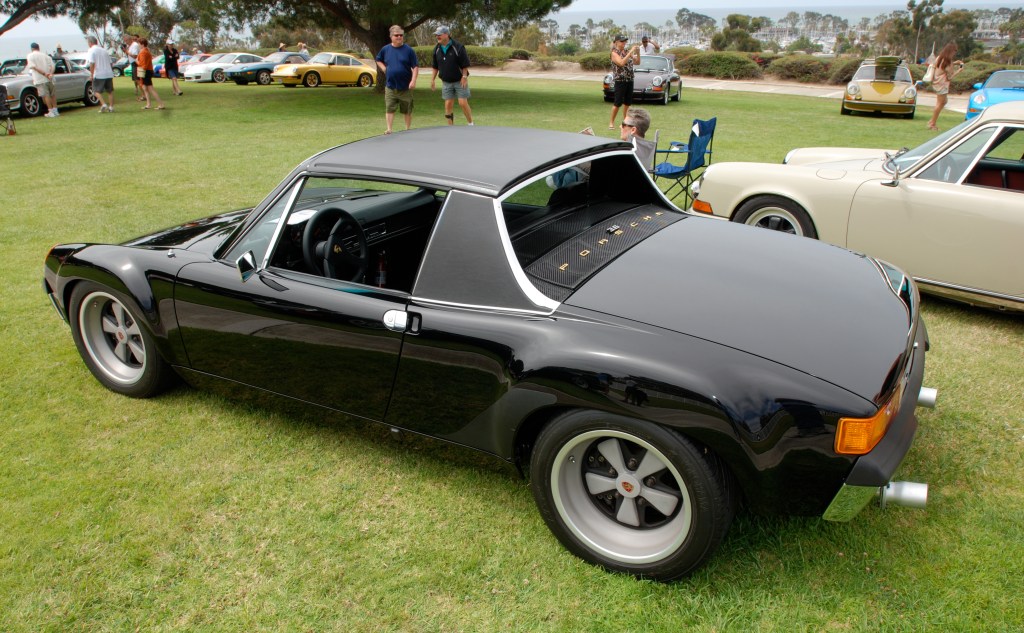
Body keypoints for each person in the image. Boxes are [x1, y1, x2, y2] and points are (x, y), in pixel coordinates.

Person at [375, 25, 419, 134]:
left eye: (401, 35)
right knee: (389, 108)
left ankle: (407, 130)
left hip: (405, 87)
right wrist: (384, 69)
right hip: (390, 86)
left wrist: (413, 80)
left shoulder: (408, 50)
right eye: (396, 35)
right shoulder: (386, 49)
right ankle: (389, 129)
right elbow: (378, 59)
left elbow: (415, 67)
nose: (399, 37)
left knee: (407, 110)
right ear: (391, 36)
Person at [430, 26, 473, 126]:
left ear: (447, 35)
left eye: (439, 34)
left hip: (460, 80)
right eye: (436, 35)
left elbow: (465, 64)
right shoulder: (436, 49)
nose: (437, 36)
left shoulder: (458, 47)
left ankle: (471, 124)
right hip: (446, 82)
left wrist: (464, 77)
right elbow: (435, 66)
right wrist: (432, 79)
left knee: (462, 103)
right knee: (448, 105)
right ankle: (450, 127)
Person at [926, 42, 964, 132]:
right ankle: (932, 123)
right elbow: (950, 76)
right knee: (940, 103)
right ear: (951, 51)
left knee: (943, 102)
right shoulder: (948, 61)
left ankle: (932, 121)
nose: (955, 53)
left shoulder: (940, 58)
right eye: (955, 51)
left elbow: (941, 66)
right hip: (942, 84)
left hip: (936, 82)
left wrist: (954, 63)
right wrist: (959, 71)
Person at [608, 35, 639, 130]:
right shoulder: (614, 53)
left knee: (627, 103)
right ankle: (611, 122)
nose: (624, 43)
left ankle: (625, 122)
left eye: (625, 41)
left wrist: (638, 53)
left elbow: (637, 62)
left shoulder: (626, 51)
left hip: (629, 79)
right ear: (616, 42)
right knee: (617, 103)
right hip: (620, 80)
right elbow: (621, 63)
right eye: (622, 41)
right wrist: (630, 52)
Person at [26, 43, 58, 117]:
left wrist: (45, 74)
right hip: (50, 78)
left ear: (32, 49)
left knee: (46, 96)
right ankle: (55, 110)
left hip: (40, 79)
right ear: (38, 48)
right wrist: (50, 74)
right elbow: (52, 66)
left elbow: (34, 67)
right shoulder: (45, 55)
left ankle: (51, 111)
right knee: (52, 95)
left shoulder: (30, 56)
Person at [86, 35, 116, 113]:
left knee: (95, 90)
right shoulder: (104, 50)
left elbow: (92, 63)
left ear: (90, 43)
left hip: (99, 73)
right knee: (110, 91)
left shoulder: (91, 50)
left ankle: (103, 104)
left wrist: (91, 75)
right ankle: (111, 107)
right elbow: (110, 63)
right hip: (108, 73)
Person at [136, 38, 165, 110]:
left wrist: (137, 62)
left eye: (139, 43)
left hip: (144, 71)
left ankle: (161, 104)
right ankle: (148, 104)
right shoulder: (145, 51)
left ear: (142, 44)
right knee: (144, 88)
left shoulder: (143, 52)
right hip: (145, 70)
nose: (138, 45)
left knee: (150, 88)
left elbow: (143, 64)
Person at [126, 35, 142, 100]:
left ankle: (144, 95)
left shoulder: (134, 45)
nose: (126, 42)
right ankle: (143, 94)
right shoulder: (130, 46)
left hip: (136, 63)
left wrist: (127, 52)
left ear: (130, 39)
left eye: (126, 40)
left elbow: (135, 56)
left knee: (138, 80)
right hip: (134, 63)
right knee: (137, 79)